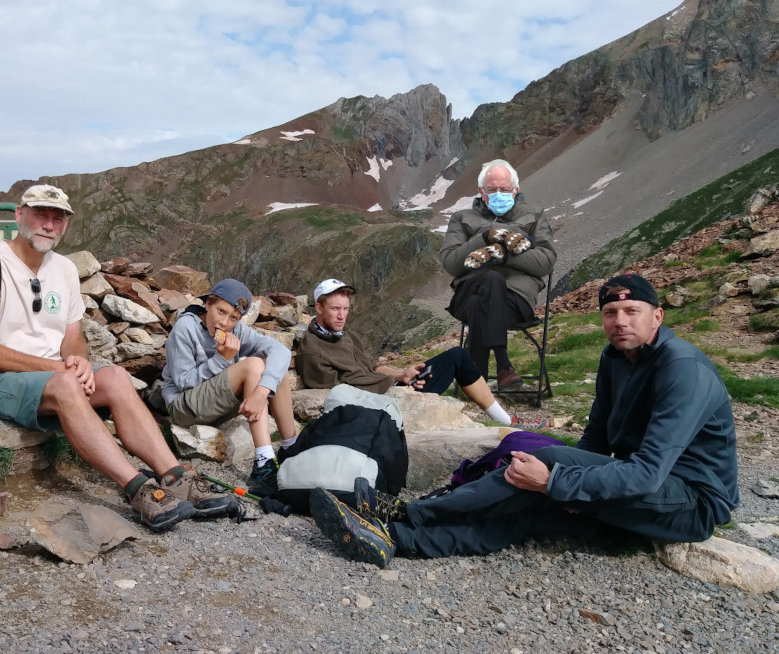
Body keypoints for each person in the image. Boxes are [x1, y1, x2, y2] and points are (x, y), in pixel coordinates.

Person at [309, 274, 740, 567]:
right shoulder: (615, 358)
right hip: (640, 487)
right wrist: (566, 489)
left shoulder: (682, 369)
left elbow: (647, 473)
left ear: (657, 317)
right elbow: (593, 441)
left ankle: (409, 512)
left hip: (690, 502)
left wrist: (557, 481)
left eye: (633, 313)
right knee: (530, 507)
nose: (620, 322)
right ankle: (394, 540)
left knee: (544, 465)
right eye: (611, 314)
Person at [0, 184, 235, 533]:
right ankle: (137, 488)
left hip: (53, 375)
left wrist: (79, 360)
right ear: (20, 214)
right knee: (68, 383)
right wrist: (59, 367)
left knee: (114, 376)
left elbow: (72, 336)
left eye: (58, 218)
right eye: (41, 214)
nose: (49, 225)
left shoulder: (64, 270)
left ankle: (175, 476)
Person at [295, 278, 549, 430]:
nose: (342, 316)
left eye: (346, 309)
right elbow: (338, 394)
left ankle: (505, 419)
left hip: (394, 386)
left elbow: (371, 367)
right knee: (458, 359)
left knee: (456, 355)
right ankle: (506, 421)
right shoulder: (313, 351)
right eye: (335, 309)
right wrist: (397, 385)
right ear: (318, 307)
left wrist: (402, 374)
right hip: (387, 399)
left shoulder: (344, 335)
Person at [162, 278, 299, 496]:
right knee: (254, 365)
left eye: (234, 317)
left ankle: (291, 449)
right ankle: (263, 463)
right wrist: (221, 359)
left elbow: (280, 351)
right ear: (207, 304)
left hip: (214, 406)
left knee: (273, 368)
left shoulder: (237, 331)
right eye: (220, 311)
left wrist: (262, 392)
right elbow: (183, 383)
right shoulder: (185, 328)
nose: (224, 322)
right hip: (184, 407)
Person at [439, 159, 556, 389]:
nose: (498, 194)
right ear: (481, 192)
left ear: (516, 190)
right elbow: (451, 263)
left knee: (478, 303)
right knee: (489, 282)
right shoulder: (461, 218)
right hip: (468, 291)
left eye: (504, 189)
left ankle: (474, 378)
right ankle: (503, 366)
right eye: (492, 190)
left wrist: (502, 254)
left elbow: (545, 262)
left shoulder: (534, 215)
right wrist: (484, 237)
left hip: (515, 301)